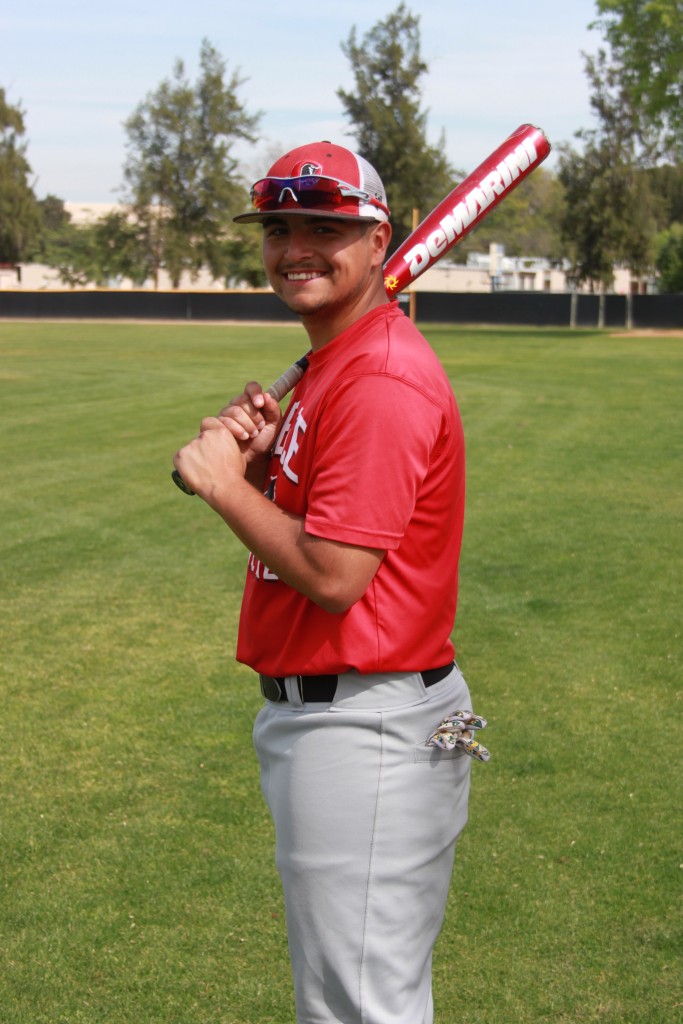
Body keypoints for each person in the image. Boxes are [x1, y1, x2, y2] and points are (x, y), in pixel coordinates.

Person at [173, 141, 482, 1024]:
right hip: (350, 715)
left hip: (366, 721)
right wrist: (267, 471)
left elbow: (337, 575)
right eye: (279, 227)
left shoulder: (378, 376)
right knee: (351, 997)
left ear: (378, 240)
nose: (295, 246)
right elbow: (313, 534)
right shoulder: (338, 363)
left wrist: (225, 488)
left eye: (325, 227)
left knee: (360, 1007)